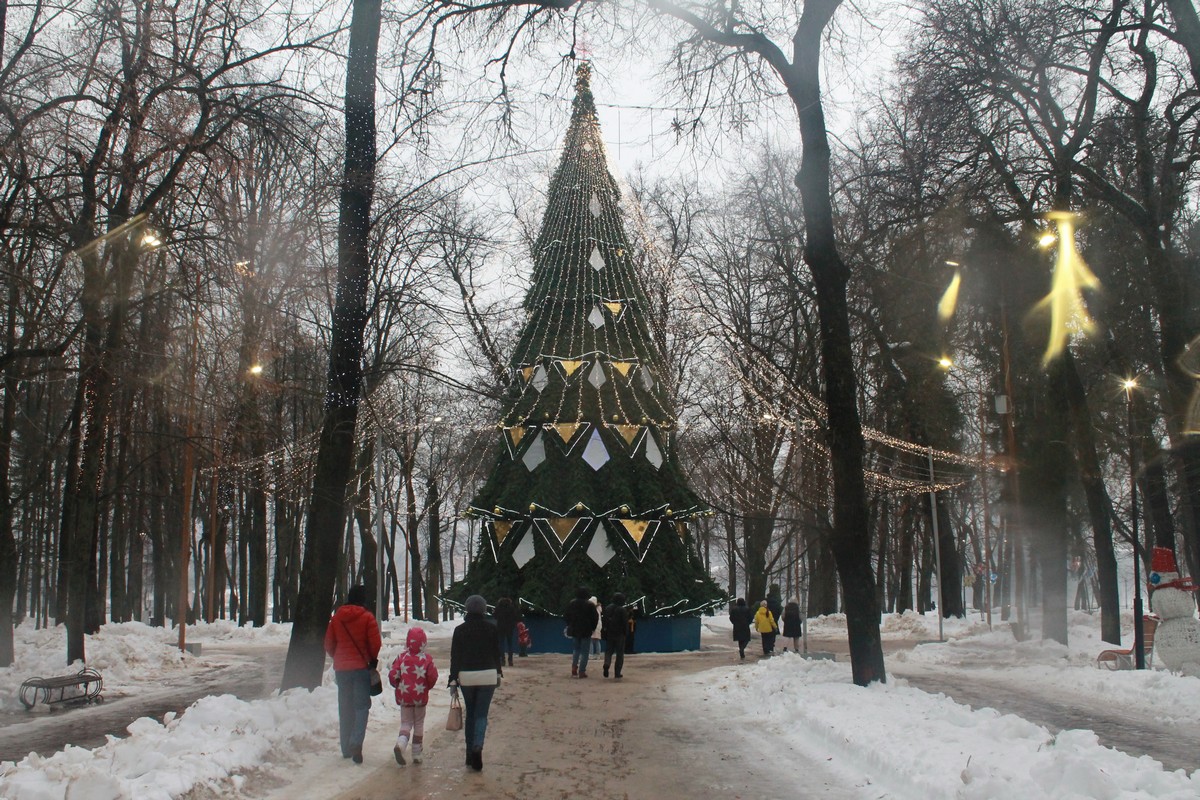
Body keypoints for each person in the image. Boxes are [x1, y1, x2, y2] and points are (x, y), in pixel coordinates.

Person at [324, 585, 381, 764]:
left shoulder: (337, 618)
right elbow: (375, 644)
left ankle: (345, 748)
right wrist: (371, 659)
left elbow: (328, 644)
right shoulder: (367, 617)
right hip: (361, 668)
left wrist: (338, 657)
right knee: (361, 707)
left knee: (345, 707)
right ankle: (356, 742)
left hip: (342, 670)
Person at [449, 594, 504, 772]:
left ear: (467, 609)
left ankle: (468, 753)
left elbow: (455, 657)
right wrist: (498, 673)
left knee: (470, 714)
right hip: (488, 675)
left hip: (467, 677)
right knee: (481, 715)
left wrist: (453, 679)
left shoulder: (460, 630)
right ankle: (477, 747)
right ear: (483, 609)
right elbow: (496, 653)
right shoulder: (491, 629)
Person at [388, 626, 438, 766]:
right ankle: (416, 753)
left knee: (406, 723)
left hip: (405, 696)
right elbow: (432, 676)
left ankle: (401, 744)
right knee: (419, 723)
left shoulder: (401, 658)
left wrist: (397, 684)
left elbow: (393, 675)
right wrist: (427, 687)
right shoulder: (427, 659)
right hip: (420, 696)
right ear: (424, 642)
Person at [564, 586, 599, 677]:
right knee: (585, 652)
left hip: (575, 629)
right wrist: (593, 628)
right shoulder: (590, 605)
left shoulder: (572, 603)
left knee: (576, 649)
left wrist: (570, 625)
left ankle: (574, 667)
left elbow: (566, 615)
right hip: (586, 630)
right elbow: (595, 618)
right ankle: (582, 671)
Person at [602, 593, 629, 678]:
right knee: (620, 654)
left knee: (608, 651)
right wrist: (626, 633)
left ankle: (607, 663)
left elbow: (604, 621)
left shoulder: (608, 608)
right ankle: (617, 673)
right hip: (620, 634)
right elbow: (625, 623)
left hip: (609, 633)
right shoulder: (622, 610)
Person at [494, 597, 521, 667]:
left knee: (501, 644)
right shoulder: (511, 608)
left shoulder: (498, 608)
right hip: (510, 628)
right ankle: (510, 660)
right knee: (510, 644)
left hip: (500, 628)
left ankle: (502, 660)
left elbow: (495, 616)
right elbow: (515, 617)